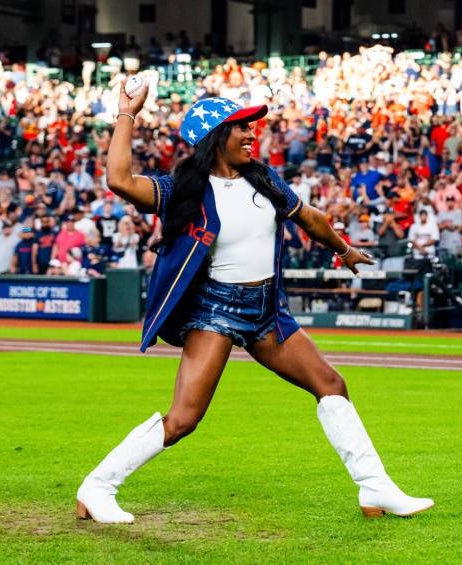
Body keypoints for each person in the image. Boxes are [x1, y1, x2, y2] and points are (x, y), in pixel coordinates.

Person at [76, 82, 432, 524]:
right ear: (214, 137)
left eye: (251, 125)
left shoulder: (263, 179)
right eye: (241, 126)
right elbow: (119, 180)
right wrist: (127, 113)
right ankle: (98, 487)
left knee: (331, 385)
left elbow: (311, 218)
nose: (251, 132)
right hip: (215, 311)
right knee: (184, 419)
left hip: (267, 310)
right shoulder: (182, 189)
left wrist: (342, 249)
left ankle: (375, 487)